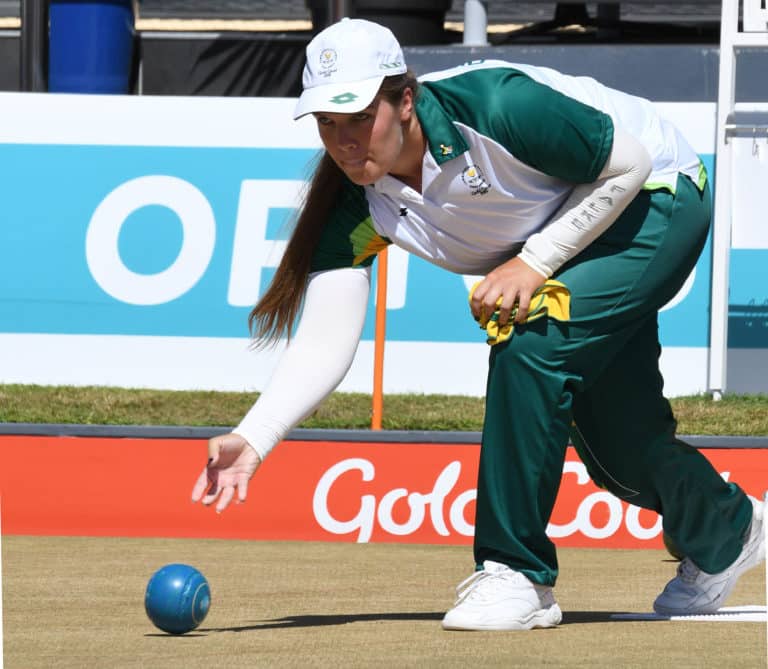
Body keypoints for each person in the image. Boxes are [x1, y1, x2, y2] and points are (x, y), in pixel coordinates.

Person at [191, 18, 766, 631]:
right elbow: (329, 335)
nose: (346, 141)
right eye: (327, 124)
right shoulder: (353, 202)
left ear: (404, 99)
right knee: (619, 450)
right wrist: (255, 437)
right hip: (575, 234)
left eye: (359, 117)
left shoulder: (496, 105)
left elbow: (629, 164)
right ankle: (730, 531)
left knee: (529, 338)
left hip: (656, 195)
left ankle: (516, 575)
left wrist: (534, 261)